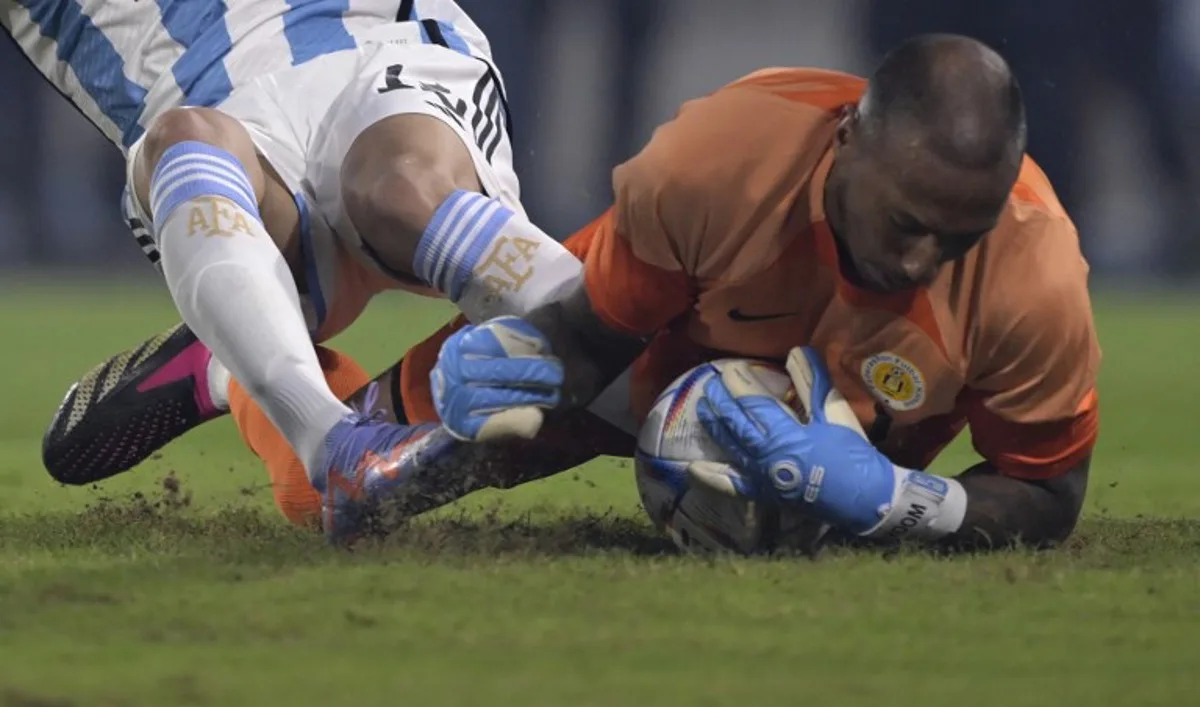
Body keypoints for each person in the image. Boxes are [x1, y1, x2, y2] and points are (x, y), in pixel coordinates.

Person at [47, 35, 1102, 553]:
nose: (922, 260)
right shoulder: (718, 163)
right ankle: (235, 369)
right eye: (903, 221)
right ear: (844, 147)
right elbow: (601, 332)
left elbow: (1050, 498)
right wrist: (544, 365)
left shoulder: (1032, 274)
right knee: (339, 498)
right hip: (658, 339)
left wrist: (907, 501)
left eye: (954, 235)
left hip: (832, 424)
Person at [13, 1, 590, 538]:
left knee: (402, 190)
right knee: (182, 138)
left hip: (380, 47)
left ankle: (234, 355)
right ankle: (334, 446)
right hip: (213, 125)